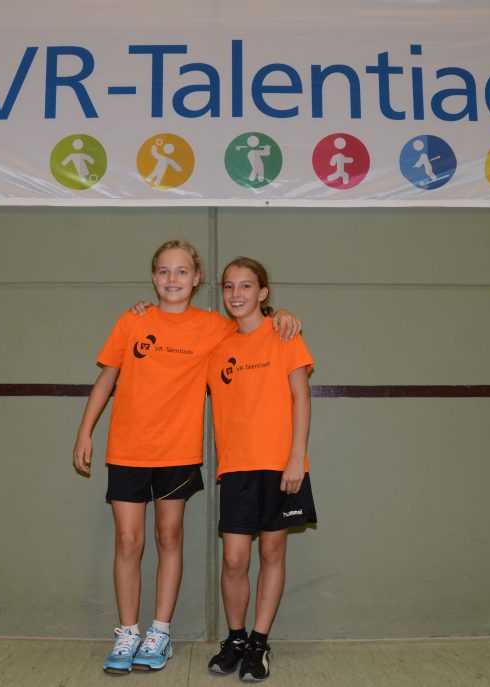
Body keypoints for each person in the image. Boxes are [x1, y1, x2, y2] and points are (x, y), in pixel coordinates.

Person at [72, 240, 300, 675]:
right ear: (153, 277)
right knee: (128, 541)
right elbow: (107, 378)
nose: (172, 279)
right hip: (127, 450)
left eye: (181, 271)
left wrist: (281, 314)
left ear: (196, 278)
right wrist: (85, 431)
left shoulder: (214, 327)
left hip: (177, 452)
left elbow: (252, 322)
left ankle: (159, 633)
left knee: (169, 536)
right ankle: (127, 632)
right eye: (163, 271)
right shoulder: (133, 320)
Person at [205, 257, 316, 682]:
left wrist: (296, 458)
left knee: (271, 552)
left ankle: (259, 642)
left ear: (263, 293)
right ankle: (235, 640)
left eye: (246, 285)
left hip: (280, 465)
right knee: (234, 559)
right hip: (237, 467)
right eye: (229, 286)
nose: (236, 294)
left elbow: (301, 397)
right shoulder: (218, 344)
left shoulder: (283, 333)